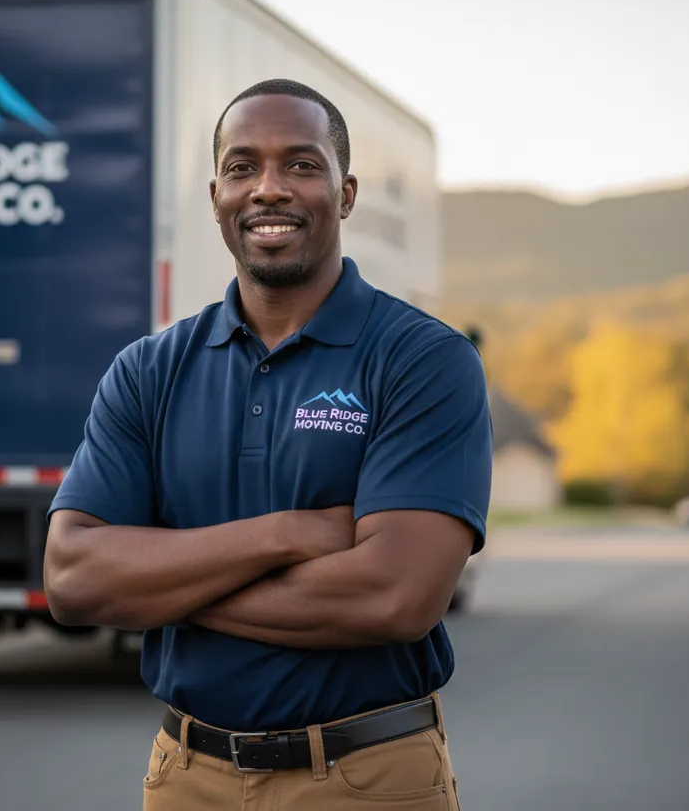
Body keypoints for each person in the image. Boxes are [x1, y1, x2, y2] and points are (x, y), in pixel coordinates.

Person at [43, 78, 493, 810]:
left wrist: (165, 585)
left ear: (345, 194)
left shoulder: (422, 360)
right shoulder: (149, 370)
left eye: (302, 165)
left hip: (364, 777)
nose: (270, 189)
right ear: (216, 192)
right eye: (244, 166)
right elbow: (73, 578)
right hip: (185, 776)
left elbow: (397, 595)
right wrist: (290, 533)